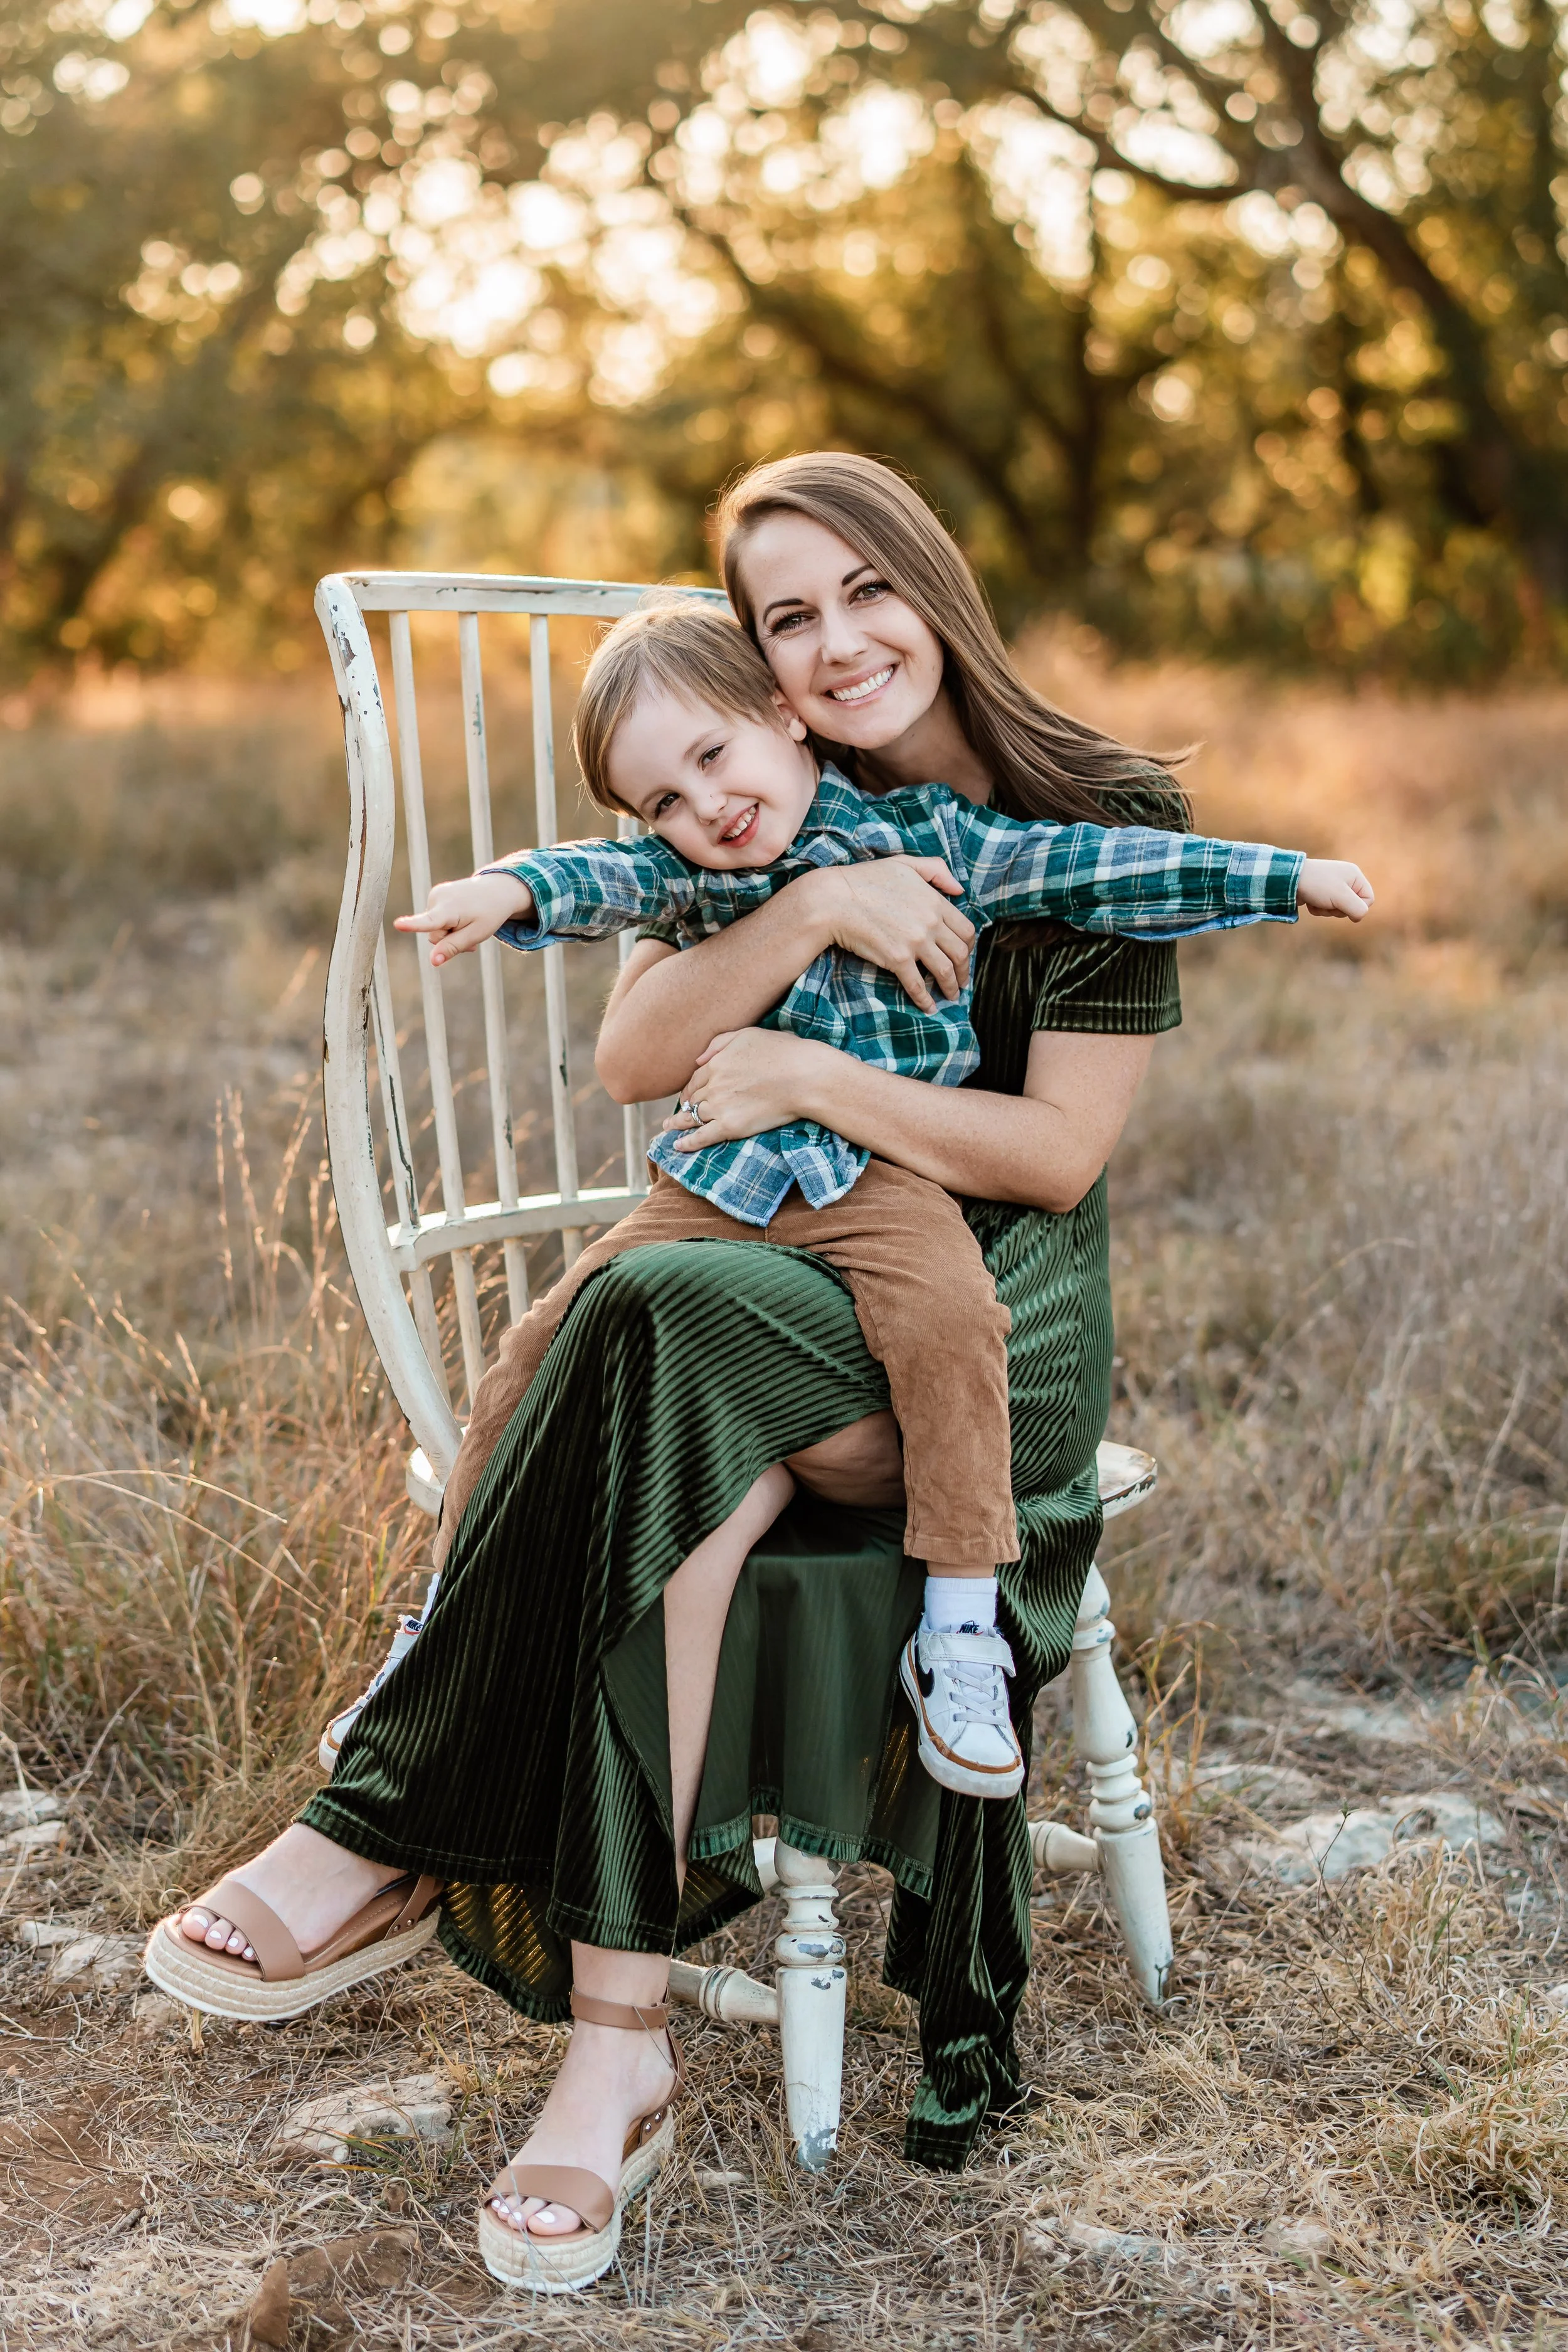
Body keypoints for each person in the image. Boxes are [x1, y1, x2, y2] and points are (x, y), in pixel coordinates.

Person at [142, 451, 1343, 2294]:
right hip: (753, 1291)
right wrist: (799, 919)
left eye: (864, 589)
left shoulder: (1086, 813)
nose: (841, 641)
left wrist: (806, 1076)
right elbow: (636, 1044)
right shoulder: (748, 809)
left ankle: (382, 1824)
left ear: (928, 580)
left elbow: (1046, 1161)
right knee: (657, 1373)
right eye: (792, 615)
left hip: (980, 1326)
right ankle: (613, 2045)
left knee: (642, 1325)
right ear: (761, 663)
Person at [371, 596, 1368, 1804]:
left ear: (785, 718)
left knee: (953, 1322)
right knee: (534, 1356)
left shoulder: (932, 837)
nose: (704, 810)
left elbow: (1098, 867)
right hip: (720, 1185)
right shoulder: (689, 878)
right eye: (666, 802)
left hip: (875, 1177)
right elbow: (593, 877)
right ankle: (433, 1641)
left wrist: (1288, 877)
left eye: (711, 758)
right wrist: (508, 894)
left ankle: (959, 1627)